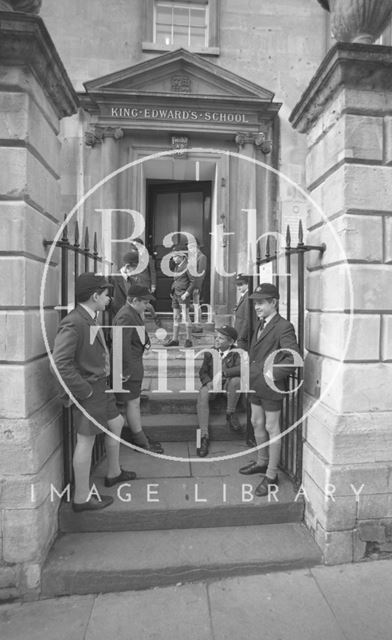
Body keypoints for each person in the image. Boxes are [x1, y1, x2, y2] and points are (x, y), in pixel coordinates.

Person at [52, 273, 136, 512]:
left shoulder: (89, 317)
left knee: (117, 422)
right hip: (90, 391)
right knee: (86, 441)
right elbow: (59, 364)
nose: (109, 299)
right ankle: (81, 498)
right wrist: (85, 391)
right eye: (107, 295)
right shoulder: (74, 321)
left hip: (102, 388)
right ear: (94, 296)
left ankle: (114, 472)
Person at [239, 283, 300, 497]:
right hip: (256, 385)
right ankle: (262, 462)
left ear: (273, 302)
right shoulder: (261, 323)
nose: (256, 306)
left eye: (261, 302)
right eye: (255, 302)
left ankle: (272, 475)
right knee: (256, 422)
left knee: (272, 428)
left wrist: (270, 374)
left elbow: (293, 357)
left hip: (271, 386)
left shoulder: (284, 326)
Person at [113, 284, 164, 454]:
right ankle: (140, 441)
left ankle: (139, 437)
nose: (147, 305)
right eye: (144, 302)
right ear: (134, 300)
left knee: (134, 402)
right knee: (133, 403)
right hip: (129, 369)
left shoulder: (132, 313)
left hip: (133, 365)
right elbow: (121, 345)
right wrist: (124, 371)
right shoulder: (126, 316)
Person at [196, 325, 243, 457]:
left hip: (228, 385)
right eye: (216, 337)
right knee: (203, 394)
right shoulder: (210, 352)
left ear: (231, 342)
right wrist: (208, 382)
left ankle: (230, 413)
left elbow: (242, 368)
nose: (217, 340)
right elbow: (203, 371)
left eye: (221, 338)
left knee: (236, 381)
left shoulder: (238, 352)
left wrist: (224, 373)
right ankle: (204, 436)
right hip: (213, 385)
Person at [111, 241, 162, 328]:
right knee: (142, 307)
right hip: (123, 314)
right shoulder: (122, 273)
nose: (135, 250)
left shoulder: (147, 258)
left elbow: (152, 272)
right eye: (133, 248)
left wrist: (153, 285)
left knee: (144, 306)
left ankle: (151, 320)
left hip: (144, 284)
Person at [165, 243, 196, 348]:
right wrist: (172, 291)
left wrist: (187, 293)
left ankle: (189, 340)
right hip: (175, 295)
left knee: (185, 317)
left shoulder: (188, 266)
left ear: (183, 256)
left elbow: (193, 281)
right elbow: (176, 280)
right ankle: (175, 339)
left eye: (175, 256)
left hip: (183, 295)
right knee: (176, 317)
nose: (173, 258)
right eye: (173, 256)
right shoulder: (177, 267)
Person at [187, 238, 207, 334]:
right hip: (189, 284)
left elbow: (201, 274)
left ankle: (198, 325)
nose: (189, 249)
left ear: (196, 246)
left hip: (196, 285)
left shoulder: (202, 257)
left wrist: (197, 287)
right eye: (188, 247)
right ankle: (191, 324)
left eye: (191, 247)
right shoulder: (191, 257)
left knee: (196, 305)